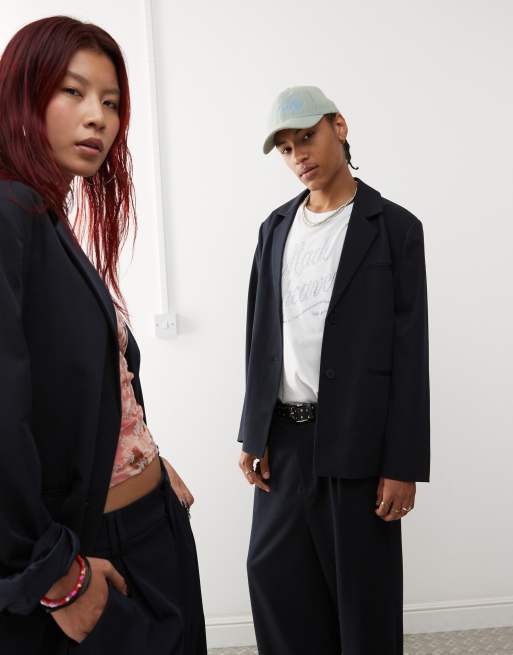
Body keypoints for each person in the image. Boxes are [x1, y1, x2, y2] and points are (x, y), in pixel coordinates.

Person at [0, 16, 206, 654]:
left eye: (111, 103)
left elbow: (89, 391)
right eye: (73, 91)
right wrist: (56, 576)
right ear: (22, 94)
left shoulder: (45, 215)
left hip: (149, 525)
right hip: (90, 554)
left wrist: (148, 460)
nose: (98, 118)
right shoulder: (9, 212)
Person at [238, 85, 430, 655]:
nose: (299, 155)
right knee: (276, 586)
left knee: (363, 605)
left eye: (307, 137)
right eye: (286, 148)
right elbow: (259, 337)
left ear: (338, 127)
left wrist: (402, 464)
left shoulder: (394, 228)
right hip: (284, 443)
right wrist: (252, 430)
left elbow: (410, 354)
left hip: (359, 444)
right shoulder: (275, 228)